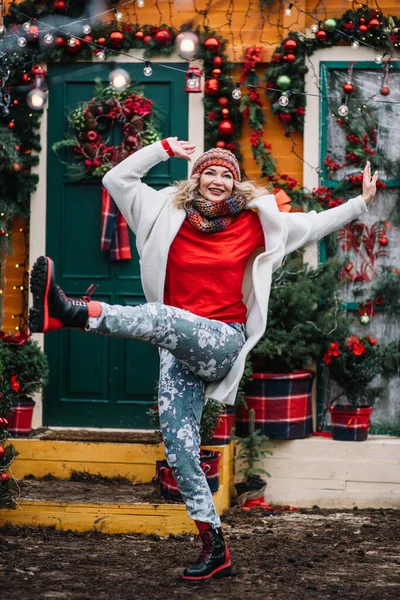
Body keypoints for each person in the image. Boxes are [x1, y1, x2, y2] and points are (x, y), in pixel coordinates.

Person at [29, 137, 378, 581]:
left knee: (166, 317)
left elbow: (314, 224)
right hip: (175, 346)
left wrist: (360, 204)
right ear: (197, 178)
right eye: (210, 172)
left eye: (227, 174)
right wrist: (163, 148)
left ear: (237, 184)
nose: (218, 180)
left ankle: (72, 312)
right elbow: (115, 178)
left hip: (221, 341)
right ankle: (216, 549)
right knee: (180, 449)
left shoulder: (257, 222)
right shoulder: (161, 212)